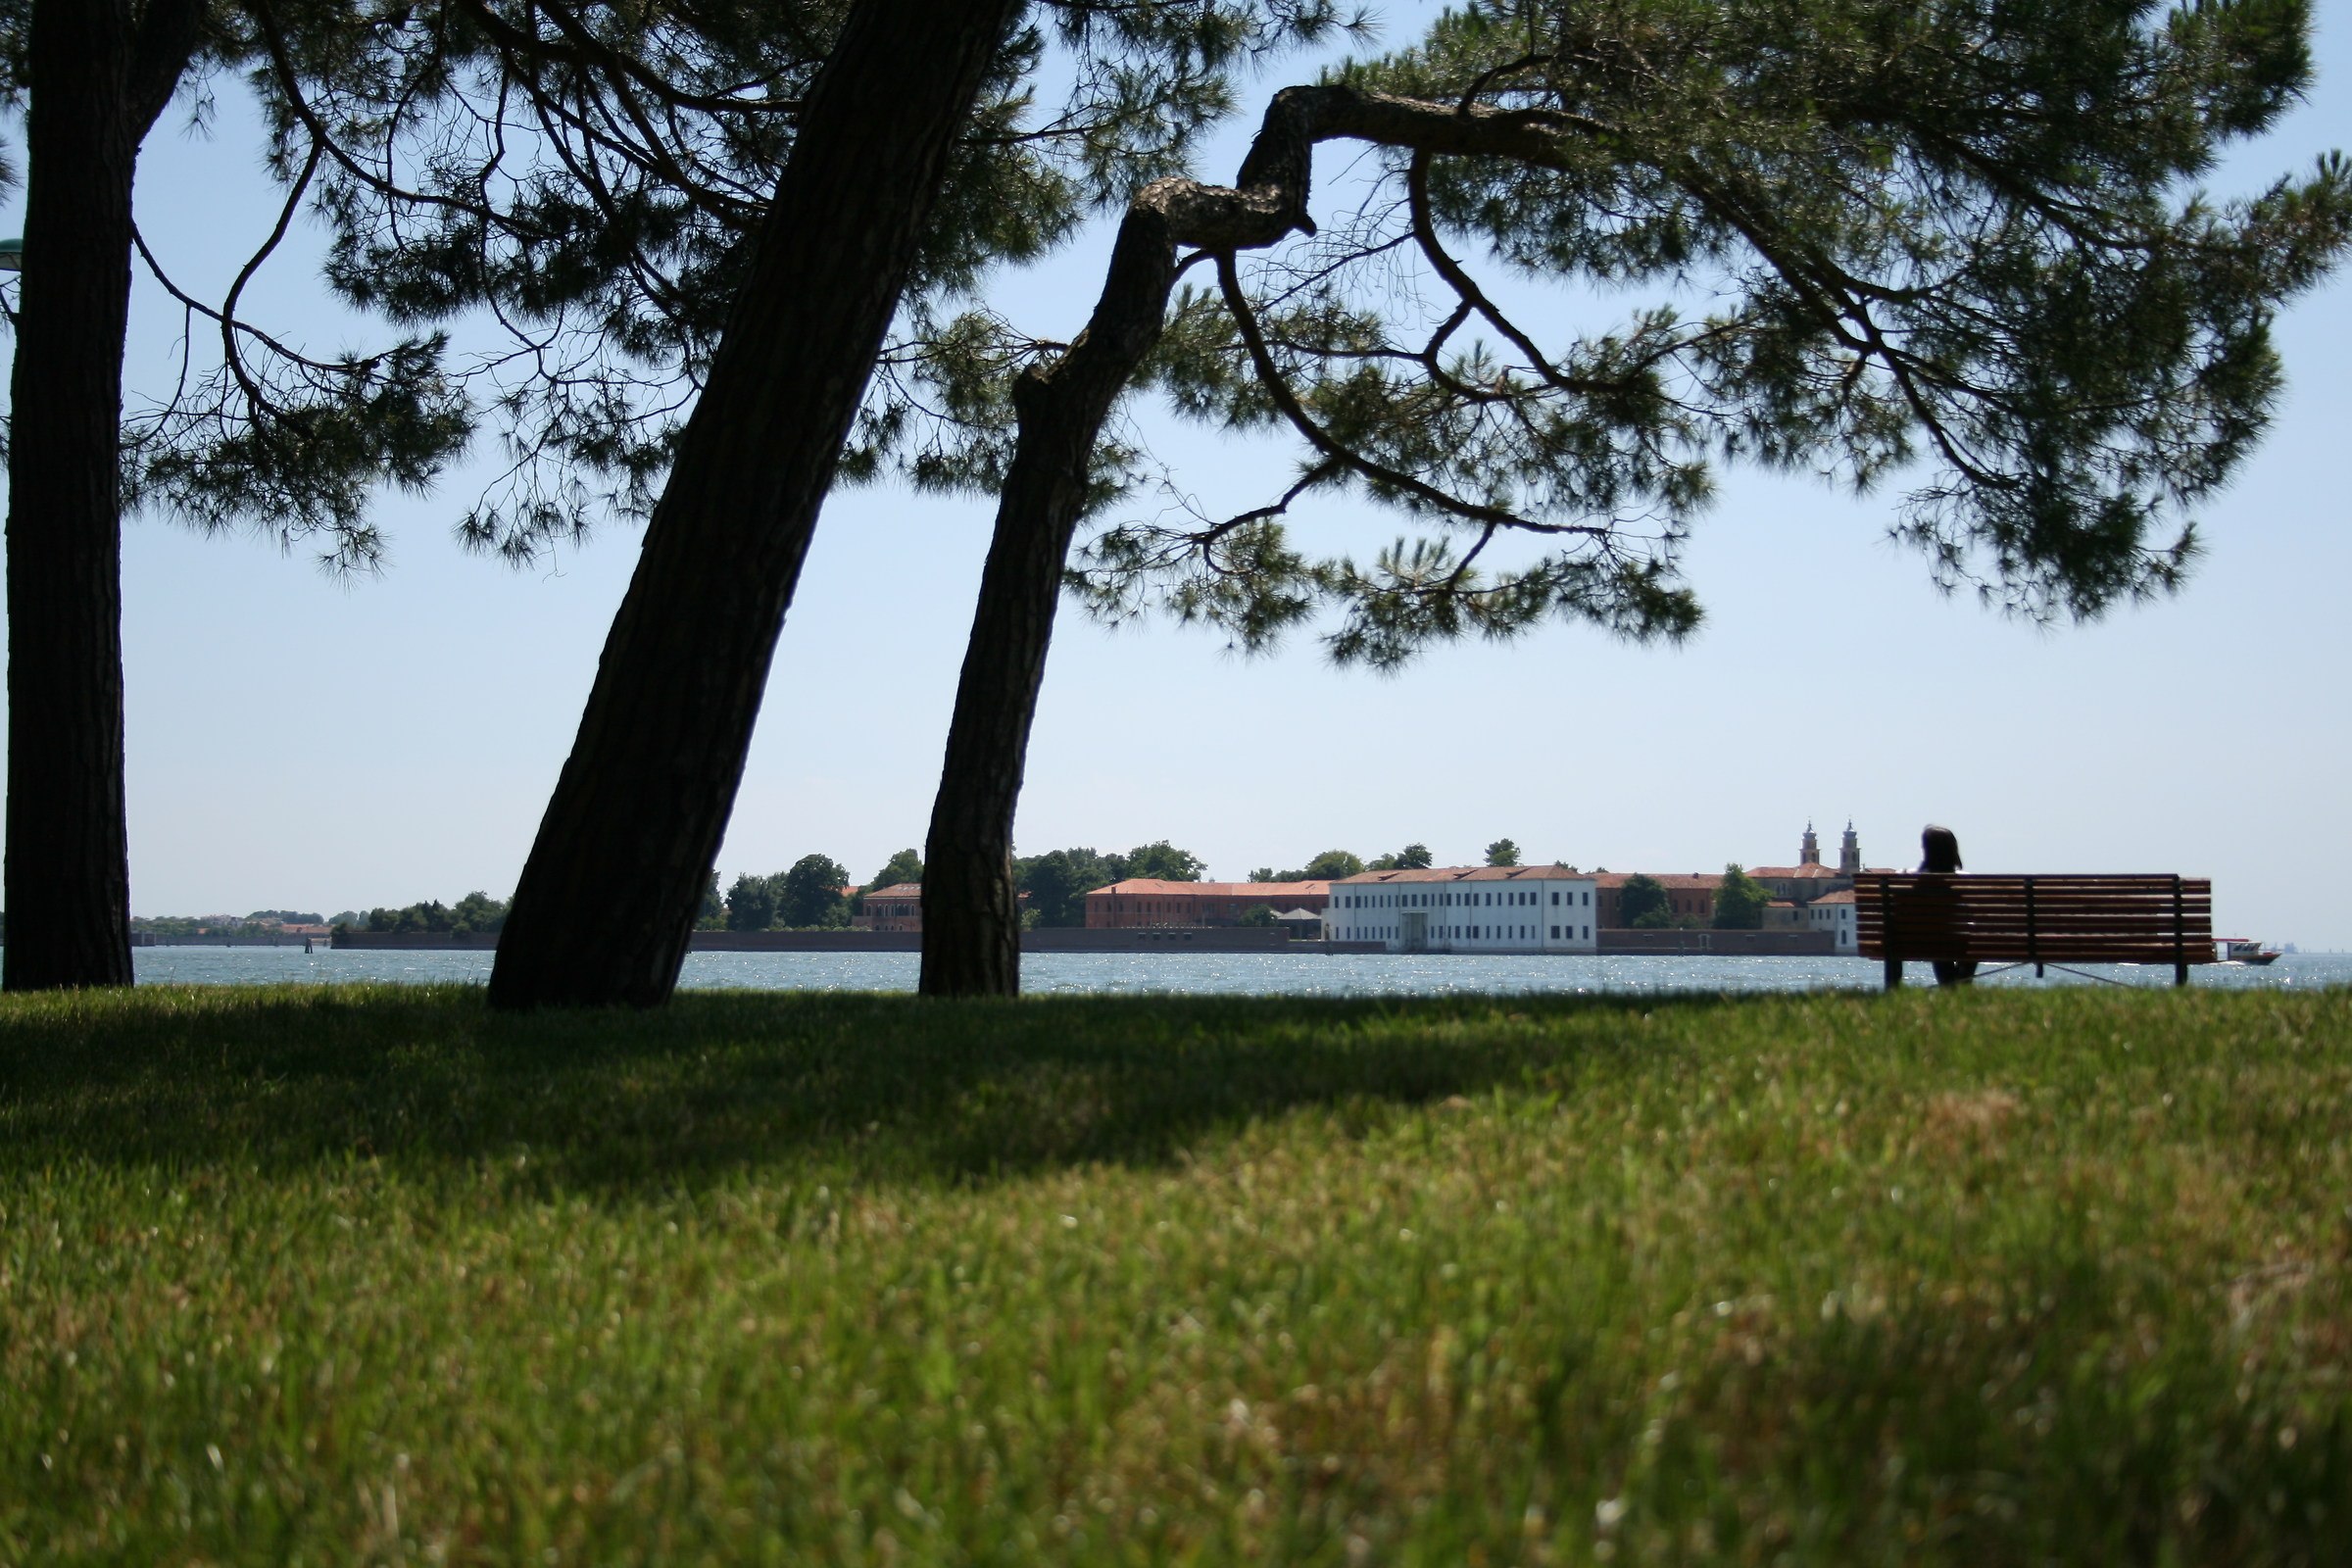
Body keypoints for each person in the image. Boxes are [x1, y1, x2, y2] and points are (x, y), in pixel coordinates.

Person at [1919, 824, 1976, 986]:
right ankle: (1959, 986)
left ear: (1926, 850)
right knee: (1966, 941)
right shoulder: (1966, 881)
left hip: (1920, 941)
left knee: (1938, 939)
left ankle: (1950, 987)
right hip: (1962, 941)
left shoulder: (1913, 881)